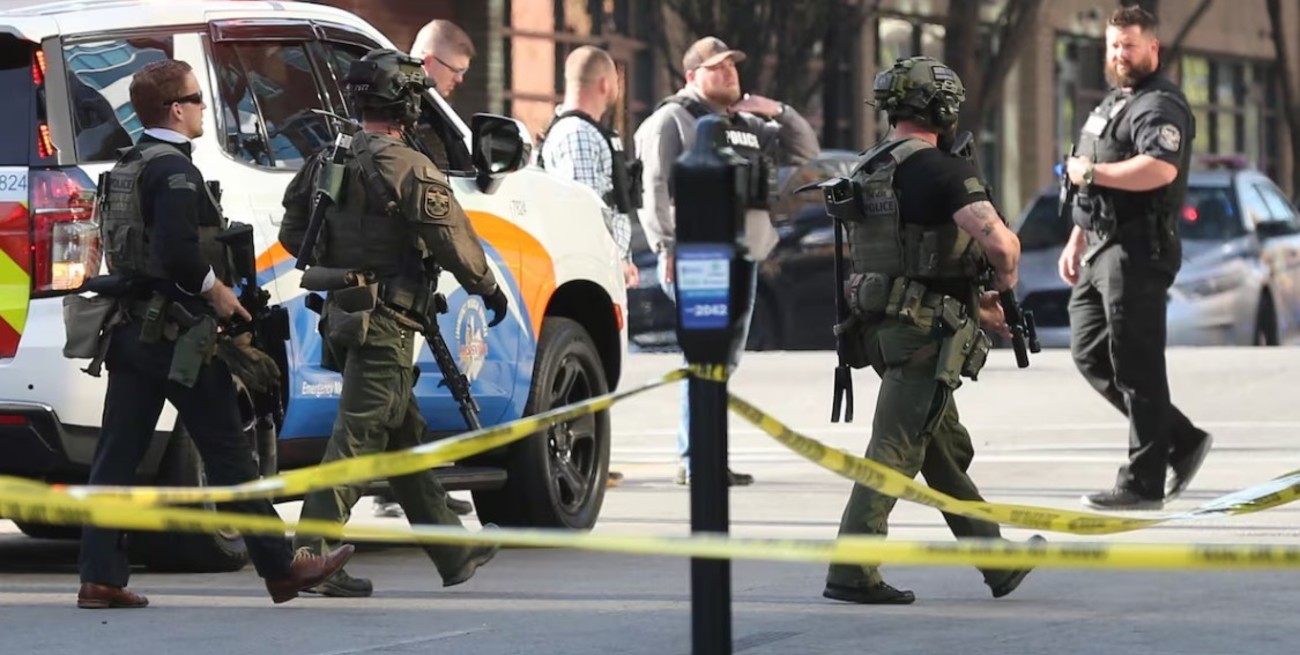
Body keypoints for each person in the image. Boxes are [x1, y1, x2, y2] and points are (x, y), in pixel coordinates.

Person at [77, 59, 353, 609]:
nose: (204, 107)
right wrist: (220, 295)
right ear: (176, 109)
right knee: (230, 454)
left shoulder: (127, 165)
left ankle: (100, 578)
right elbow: (179, 254)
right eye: (198, 99)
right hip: (180, 336)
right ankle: (281, 570)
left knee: (116, 454)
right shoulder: (175, 172)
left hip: (131, 329)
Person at [279, 48, 506, 598]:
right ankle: (308, 556)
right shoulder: (407, 165)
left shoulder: (326, 159)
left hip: (345, 314)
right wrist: (487, 287)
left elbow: (292, 235)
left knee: (403, 442)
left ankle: (455, 551)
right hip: (388, 321)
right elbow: (452, 240)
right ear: (405, 102)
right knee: (356, 438)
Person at [821, 55, 1041, 605]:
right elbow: (1000, 243)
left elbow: (899, 254)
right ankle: (852, 569)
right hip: (922, 336)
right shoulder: (943, 169)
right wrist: (1004, 283)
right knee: (893, 452)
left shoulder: (869, 167)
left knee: (944, 451)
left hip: (877, 327)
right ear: (941, 108)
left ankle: (997, 560)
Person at [633, 36, 820, 487]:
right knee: (704, 355)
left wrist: (777, 110)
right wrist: (666, 247)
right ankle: (698, 459)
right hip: (698, 257)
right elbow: (654, 188)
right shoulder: (672, 119)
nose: (730, 73)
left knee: (725, 359)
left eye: (733, 66)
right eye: (717, 68)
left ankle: (706, 453)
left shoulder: (746, 124)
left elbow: (806, 153)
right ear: (692, 76)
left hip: (745, 252)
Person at [1061, 6, 1211, 511]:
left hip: (1136, 250)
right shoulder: (1114, 103)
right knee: (1089, 352)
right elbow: (1092, 169)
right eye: (1113, 46)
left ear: (1153, 49)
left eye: (1128, 45)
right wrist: (1077, 238)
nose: (1119, 54)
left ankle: (1143, 482)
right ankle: (1182, 438)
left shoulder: (1160, 105)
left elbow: (1158, 169)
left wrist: (1091, 177)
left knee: (1136, 364)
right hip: (1099, 245)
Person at [371, 16, 482, 517]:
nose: (458, 80)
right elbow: (437, 202)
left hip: (391, 281)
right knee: (376, 405)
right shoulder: (415, 113)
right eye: (455, 70)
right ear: (430, 60)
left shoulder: (405, 104)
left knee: (400, 398)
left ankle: (425, 507)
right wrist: (485, 284)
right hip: (392, 281)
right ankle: (317, 541)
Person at [540, 46, 638, 488]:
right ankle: (578, 462)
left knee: (591, 368)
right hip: (589, 270)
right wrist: (616, 257)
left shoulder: (585, 132)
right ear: (606, 83)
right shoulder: (579, 135)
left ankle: (587, 459)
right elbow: (587, 207)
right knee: (584, 368)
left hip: (599, 268)